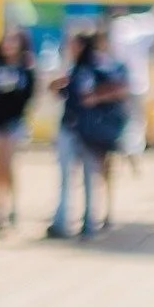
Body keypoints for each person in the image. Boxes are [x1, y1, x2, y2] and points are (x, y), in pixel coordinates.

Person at [50, 29, 128, 238]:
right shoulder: (76, 68)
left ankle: (88, 221)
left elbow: (121, 88)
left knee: (89, 176)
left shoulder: (100, 65)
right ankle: (64, 221)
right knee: (70, 176)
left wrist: (95, 97)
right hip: (72, 127)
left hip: (90, 131)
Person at [107, 2, 154, 159]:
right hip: (134, 82)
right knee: (135, 119)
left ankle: (127, 147)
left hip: (119, 83)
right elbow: (153, 25)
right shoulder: (128, 29)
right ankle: (131, 148)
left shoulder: (116, 30)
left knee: (127, 118)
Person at [0, 26, 36, 229]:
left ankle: (11, 205)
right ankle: (1, 207)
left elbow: (29, 97)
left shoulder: (25, 68)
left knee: (7, 164)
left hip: (14, 123)